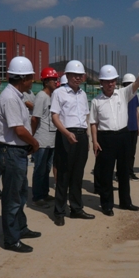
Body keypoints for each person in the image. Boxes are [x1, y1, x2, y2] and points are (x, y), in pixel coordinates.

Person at [90, 60, 139, 216]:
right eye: (107, 81)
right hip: (105, 138)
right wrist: (94, 141)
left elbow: (137, 83)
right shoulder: (96, 101)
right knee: (106, 173)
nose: (110, 84)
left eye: (113, 80)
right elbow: (93, 123)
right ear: (101, 82)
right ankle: (107, 205)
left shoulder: (122, 94)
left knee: (124, 171)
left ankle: (125, 202)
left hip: (123, 135)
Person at [0, 56, 41, 253]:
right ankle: (12, 239)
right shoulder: (10, 98)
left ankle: (20, 227)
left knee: (20, 194)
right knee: (12, 197)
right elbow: (19, 130)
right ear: (22, 78)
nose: (32, 81)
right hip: (10, 152)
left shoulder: (17, 96)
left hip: (16, 151)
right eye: (30, 77)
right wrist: (34, 142)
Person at [50, 60, 94, 226]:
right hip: (66, 135)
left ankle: (76, 209)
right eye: (74, 75)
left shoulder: (83, 94)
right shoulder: (59, 93)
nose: (77, 78)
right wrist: (66, 133)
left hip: (81, 135)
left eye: (80, 75)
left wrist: (87, 137)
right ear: (67, 75)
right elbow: (54, 116)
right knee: (63, 175)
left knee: (77, 175)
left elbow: (85, 117)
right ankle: (59, 211)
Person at [31, 67, 59, 209]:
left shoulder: (52, 97)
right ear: (46, 81)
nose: (55, 82)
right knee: (40, 169)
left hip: (51, 140)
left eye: (56, 79)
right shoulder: (41, 97)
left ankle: (44, 193)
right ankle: (37, 197)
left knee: (46, 169)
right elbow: (34, 118)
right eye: (53, 79)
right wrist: (32, 137)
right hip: (41, 139)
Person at [122, 73, 139, 181]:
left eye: (132, 83)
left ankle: (130, 171)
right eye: (128, 84)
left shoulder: (135, 96)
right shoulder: (122, 96)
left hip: (133, 128)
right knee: (124, 153)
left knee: (132, 152)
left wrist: (138, 126)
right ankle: (122, 173)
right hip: (124, 128)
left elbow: (136, 111)